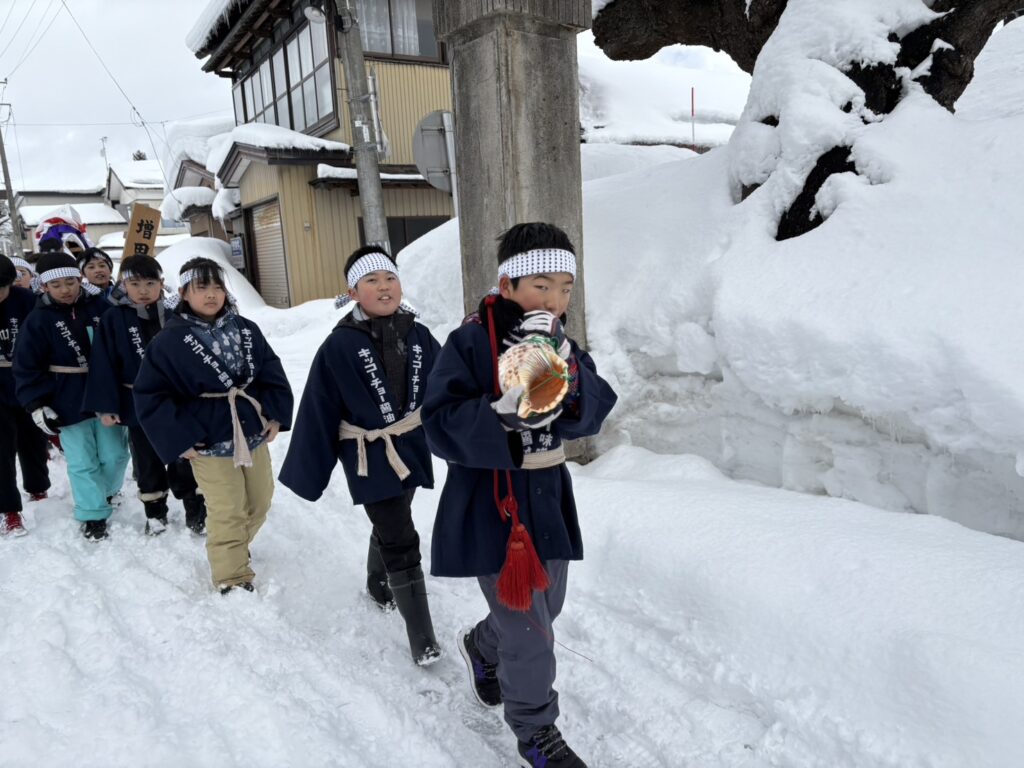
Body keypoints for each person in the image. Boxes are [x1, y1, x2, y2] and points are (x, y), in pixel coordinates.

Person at [421, 223, 617, 768]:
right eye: (541, 287)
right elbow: (438, 422)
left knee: (545, 609)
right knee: (530, 631)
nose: (554, 301)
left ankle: (482, 646)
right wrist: (498, 417)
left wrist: (569, 372)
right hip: (493, 499)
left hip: (548, 493)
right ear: (507, 285)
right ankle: (535, 731)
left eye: (565, 289)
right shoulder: (469, 342)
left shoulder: (561, 342)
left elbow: (593, 413)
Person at [279, 245, 443, 665]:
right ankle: (422, 637)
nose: (384, 287)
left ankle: (377, 581)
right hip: (368, 452)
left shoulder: (418, 335)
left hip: (409, 444)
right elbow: (318, 408)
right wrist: (309, 466)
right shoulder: (339, 346)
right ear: (353, 292)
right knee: (401, 535)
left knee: (395, 515)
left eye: (390, 278)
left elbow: (448, 384)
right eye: (372, 281)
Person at [134, 258, 293, 593]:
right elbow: (151, 395)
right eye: (201, 287)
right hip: (207, 438)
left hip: (250, 431)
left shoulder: (245, 329)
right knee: (227, 510)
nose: (211, 294)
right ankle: (231, 576)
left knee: (259, 502)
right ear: (183, 293)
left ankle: (234, 548)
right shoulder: (168, 340)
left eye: (217, 287)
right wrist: (179, 439)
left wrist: (275, 414)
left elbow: (270, 370)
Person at [83, 255, 207, 536]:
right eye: (135, 283)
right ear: (123, 284)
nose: (143, 290)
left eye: (150, 283)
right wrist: (106, 406)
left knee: (186, 454)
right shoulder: (113, 317)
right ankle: (155, 511)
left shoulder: (178, 314)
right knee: (146, 458)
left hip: (178, 400)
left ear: (161, 283)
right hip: (137, 401)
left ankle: (195, 507)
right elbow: (103, 364)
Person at [13, 251, 128, 541]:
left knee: (115, 454)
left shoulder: (101, 307)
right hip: (64, 398)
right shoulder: (37, 320)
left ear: (80, 280)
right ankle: (92, 513)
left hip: (105, 395)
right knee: (81, 460)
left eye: (70, 282)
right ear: (44, 286)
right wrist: (37, 404)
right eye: (56, 285)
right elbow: (26, 366)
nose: (64, 290)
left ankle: (107, 491)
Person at [0, 255, 50, 536]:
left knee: (32, 440)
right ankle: (9, 511)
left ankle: (38, 488)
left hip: (26, 381)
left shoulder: (28, 301)